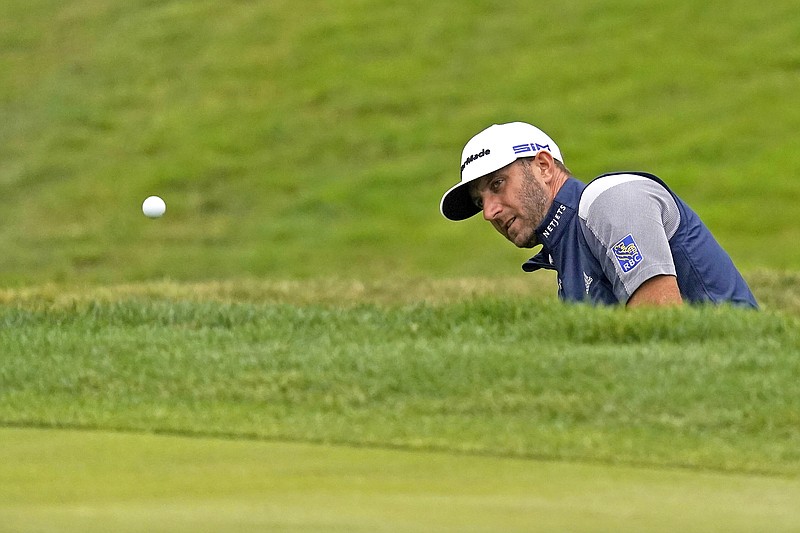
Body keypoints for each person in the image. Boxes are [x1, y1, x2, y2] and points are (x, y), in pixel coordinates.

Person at [439, 121, 758, 308]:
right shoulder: (566, 254)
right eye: (481, 202)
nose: (489, 212)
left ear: (544, 167)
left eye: (498, 184)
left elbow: (663, 329)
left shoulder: (609, 200)